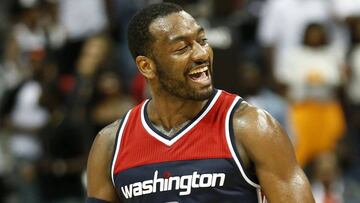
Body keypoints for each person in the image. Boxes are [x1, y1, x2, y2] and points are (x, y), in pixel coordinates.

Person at [86, 2, 315, 203]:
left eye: (202, 40)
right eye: (182, 48)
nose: (201, 54)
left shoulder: (250, 127)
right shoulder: (110, 144)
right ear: (147, 66)